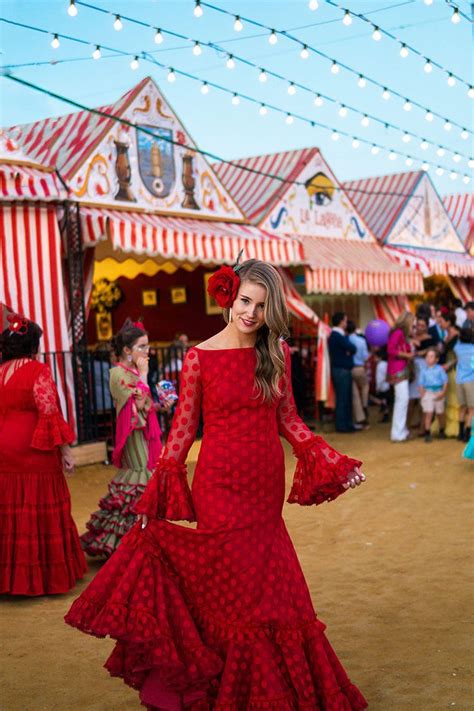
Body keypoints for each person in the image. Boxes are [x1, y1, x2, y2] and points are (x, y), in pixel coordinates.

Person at [66, 259, 367, 710]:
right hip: (218, 485)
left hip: (264, 486)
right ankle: (226, 685)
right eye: (245, 301)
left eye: (262, 306)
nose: (251, 313)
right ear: (229, 297)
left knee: (267, 585)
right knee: (231, 582)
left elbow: (288, 420)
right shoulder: (198, 357)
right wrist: (156, 503)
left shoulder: (276, 354)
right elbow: (182, 432)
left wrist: (333, 462)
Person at [0, 313, 86, 595]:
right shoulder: (38, 371)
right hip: (33, 449)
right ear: (33, 345)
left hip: (4, 448)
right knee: (40, 506)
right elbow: (48, 411)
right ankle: (42, 579)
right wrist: (66, 450)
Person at [80, 319, 163, 558]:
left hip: (143, 433)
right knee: (139, 480)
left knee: (143, 481)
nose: (148, 351)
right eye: (143, 346)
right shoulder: (117, 373)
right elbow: (135, 402)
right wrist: (145, 376)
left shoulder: (133, 372)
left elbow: (145, 404)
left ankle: (139, 539)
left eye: (147, 346)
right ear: (128, 350)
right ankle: (128, 542)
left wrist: (159, 404)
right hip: (132, 435)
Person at [387, 311, 415, 442]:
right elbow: (391, 350)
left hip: (399, 369)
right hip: (398, 370)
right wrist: (406, 355)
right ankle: (398, 433)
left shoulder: (400, 333)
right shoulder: (398, 333)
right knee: (402, 400)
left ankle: (400, 431)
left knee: (402, 400)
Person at [328, 312, 358, 433]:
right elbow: (352, 348)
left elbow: (351, 349)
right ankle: (343, 425)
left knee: (344, 398)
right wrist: (348, 351)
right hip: (342, 370)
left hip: (341, 370)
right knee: (343, 398)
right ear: (341, 322)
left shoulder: (336, 335)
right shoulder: (337, 335)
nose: (346, 323)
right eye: (345, 321)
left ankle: (345, 424)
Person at [419, 348, 448, 442]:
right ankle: (427, 432)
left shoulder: (440, 369)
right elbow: (421, 383)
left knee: (440, 413)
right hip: (428, 392)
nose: (428, 358)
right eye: (427, 356)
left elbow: (445, 381)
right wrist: (422, 393)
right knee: (429, 412)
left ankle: (442, 430)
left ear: (437, 359)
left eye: (431, 357)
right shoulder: (423, 370)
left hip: (438, 392)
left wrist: (443, 392)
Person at [439, 313, 460, 438]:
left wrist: (448, 365)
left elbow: (460, 356)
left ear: (449, 322)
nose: (439, 323)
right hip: (446, 370)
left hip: (454, 370)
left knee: (454, 397)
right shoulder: (447, 335)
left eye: (441, 321)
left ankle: (457, 426)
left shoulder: (457, 336)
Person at [347, 320, 370, 427]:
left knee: (354, 393)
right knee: (365, 386)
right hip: (360, 368)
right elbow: (365, 357)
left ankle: (359, 417)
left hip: (350, 369)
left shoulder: (346, 339)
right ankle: (365, 404)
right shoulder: (361, 340)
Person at [454, 325, 474, 442]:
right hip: (470, 380)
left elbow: (457, 339)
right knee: (472, 409)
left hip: (459, 380)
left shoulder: (457, 348)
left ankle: (460, 433)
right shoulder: (473, 349)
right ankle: (467, 434)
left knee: (462, 407)